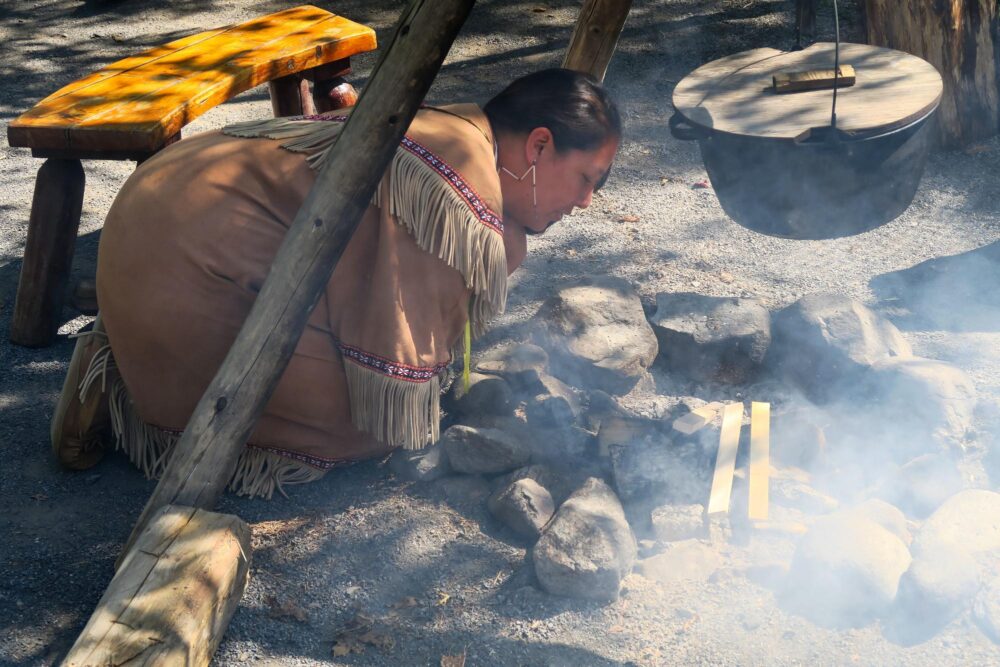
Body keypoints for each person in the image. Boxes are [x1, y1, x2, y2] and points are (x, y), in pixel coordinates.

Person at [52, 68, 622, 498]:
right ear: (540, 145)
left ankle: (122, 363)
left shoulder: (448, 125)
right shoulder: (457, 183)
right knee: (376, 423)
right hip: (185, 271)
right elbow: (395, 352)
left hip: (150, 234)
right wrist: (425, 402)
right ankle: (128, 391)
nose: (585, 202)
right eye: (584, 179)